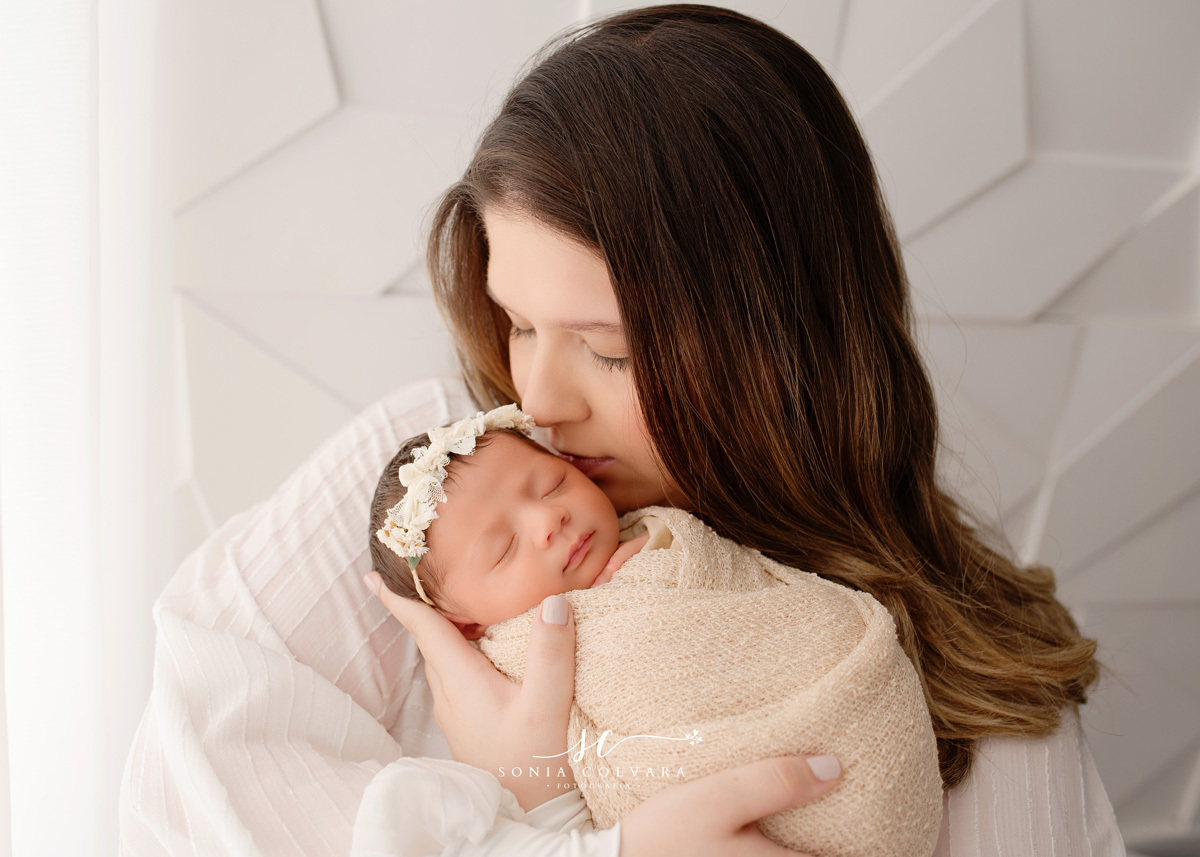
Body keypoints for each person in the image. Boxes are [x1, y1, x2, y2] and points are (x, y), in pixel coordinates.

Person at [363, 4, 1124, 856]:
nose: (536, 401)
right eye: (519, 323)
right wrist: (544, 812)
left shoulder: (995, 719)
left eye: (609, 350)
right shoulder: (430, 495)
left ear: (780, 352)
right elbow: (194, 771)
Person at [356, 405, 941, 855]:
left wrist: (660, 551)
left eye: (551, 483)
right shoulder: (504, 673)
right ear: (464, 621)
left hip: (848, 710)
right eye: (504, 548)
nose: (548, 519)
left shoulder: (662, 532)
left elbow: (747, 587)